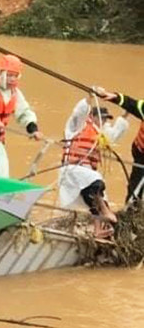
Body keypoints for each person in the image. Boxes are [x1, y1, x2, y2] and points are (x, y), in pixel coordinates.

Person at [59, 97, 128, 237]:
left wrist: (128, 112)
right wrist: (89, 98)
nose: (103, 122)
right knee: (96, 183)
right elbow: (79, 112)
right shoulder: (79, 126)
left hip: (86, 171)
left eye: (106, 119)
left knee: (96, 195)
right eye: (101, 118)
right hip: (73, 169)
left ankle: (98, 230)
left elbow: (115, 133)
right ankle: (105, 212)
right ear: (91, 116)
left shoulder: (100, 133)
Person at [91, 86, 144, 207]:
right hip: (140, 151)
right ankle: (132, 209)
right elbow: (133, 104)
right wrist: (114, 97)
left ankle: (133, 207)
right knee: (136, 186)